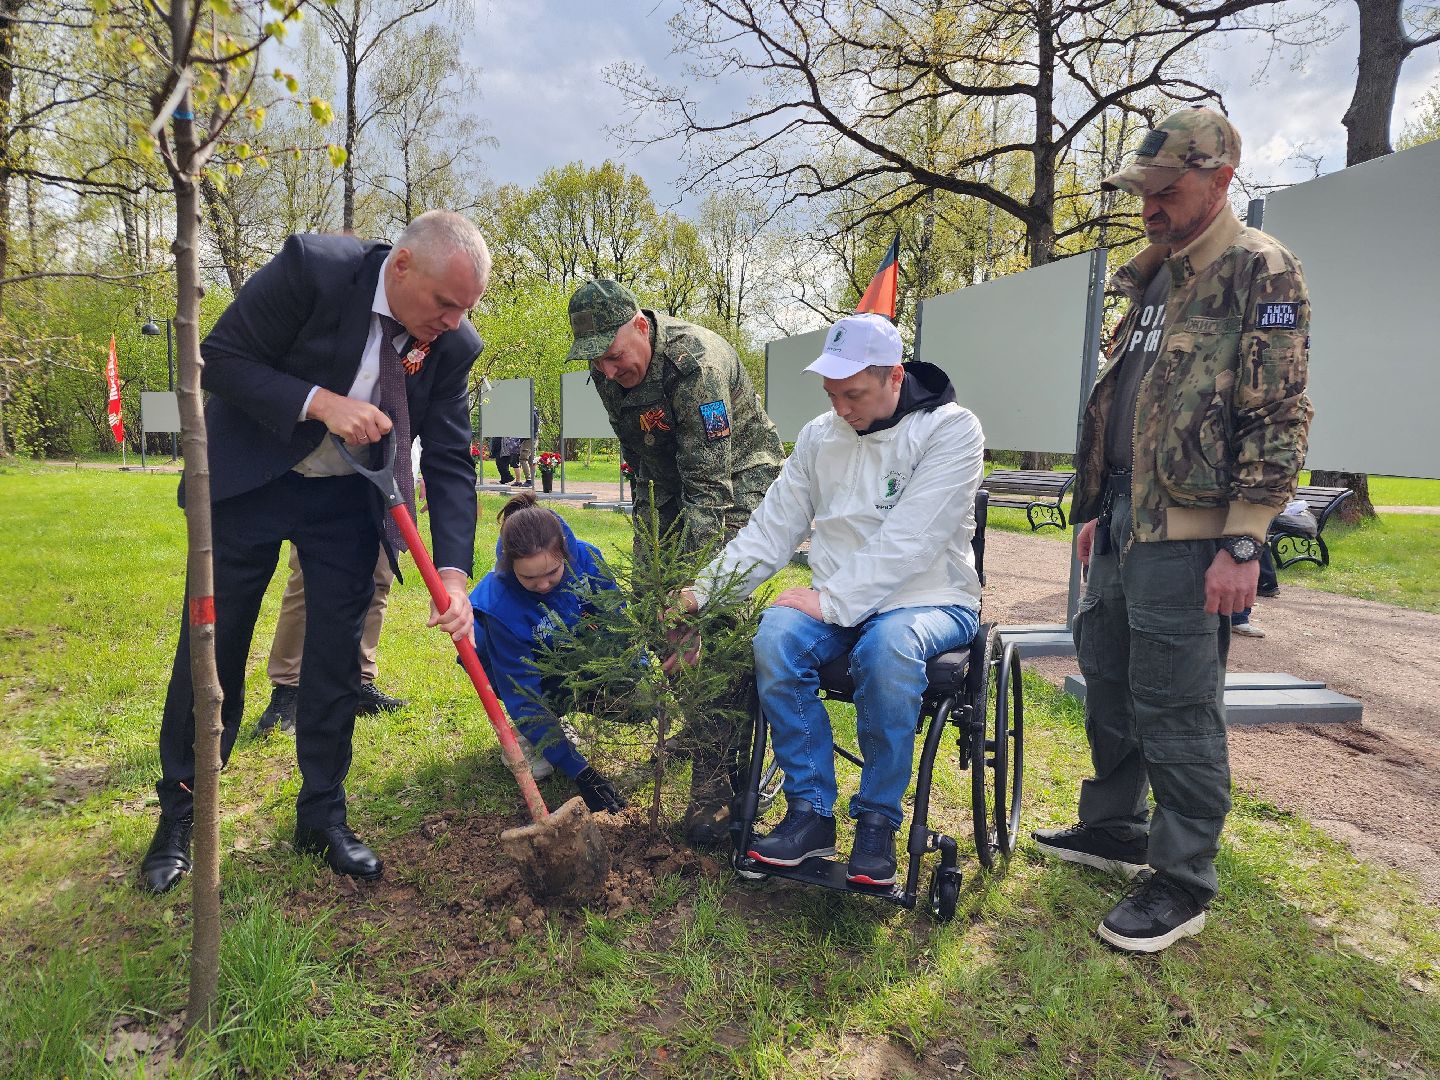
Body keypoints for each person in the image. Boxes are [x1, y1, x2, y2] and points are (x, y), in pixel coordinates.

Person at [140, 211, 490, 894]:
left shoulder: (452, 345)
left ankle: (322, 815)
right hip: (252, 480)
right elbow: (222, 357)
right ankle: (182, 813)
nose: (452, 321)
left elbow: (451, 458)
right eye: (444, 304)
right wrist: (321, 403)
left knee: (335, 660)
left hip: (346, 503)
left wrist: (453, 572)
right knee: (213, 645)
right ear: (402, 267)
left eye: (465, 309)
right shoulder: (314, 268)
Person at [1032, 106, 1313, 953]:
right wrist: (1097, 511)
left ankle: (1183, 877)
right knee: (1108, 671)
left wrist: (1243, 539)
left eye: (1165, 187)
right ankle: (1117, 828)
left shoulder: (1258, 269)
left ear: (1220, 177)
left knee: (1177, 700)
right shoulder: (1153, 272)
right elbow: (1130, 398)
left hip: (1193, 534)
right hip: (1123, 515)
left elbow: (1281, 412)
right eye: (1142, 189)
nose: (1148, 204)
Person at [677, 312, 984, 886]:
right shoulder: (821, 436)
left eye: (854, 394)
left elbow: (912, 538)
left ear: (895, 376)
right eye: (831, 393)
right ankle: (810, 813)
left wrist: (834, 601)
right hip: (837, 600)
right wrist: (703, 593)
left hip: (929, 597)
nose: (841, 407)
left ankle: (876, 821)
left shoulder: (951, 430)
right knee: (774, 635)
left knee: (888, 648)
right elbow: (771, 529)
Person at [566, 278, 785, 845]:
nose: (608, 372)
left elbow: (710, 489)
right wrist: (653, 569)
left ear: (640, 325)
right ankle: (700, 718)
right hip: (668, 489)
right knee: (654, 604)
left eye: (614, 356)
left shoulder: (696, 363)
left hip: (741, 482)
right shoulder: (606, 371)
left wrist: (690, 595)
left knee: (712, 611)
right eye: (598, 364)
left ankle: (721, 770)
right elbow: (640, 467)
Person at [468, 492, 627, 813]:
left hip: (569, 653)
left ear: (566, 555)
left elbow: (617, 623)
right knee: (536, 705)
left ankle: (553, 726)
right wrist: (581, 771)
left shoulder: (589, 561)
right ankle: (532, 736)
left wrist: (631, 671)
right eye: (529, 577)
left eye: (552, 573)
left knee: (630, 698)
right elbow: (523, 694)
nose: (543, 585)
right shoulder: (500, 606)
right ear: (510, 567)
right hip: (517, 672)